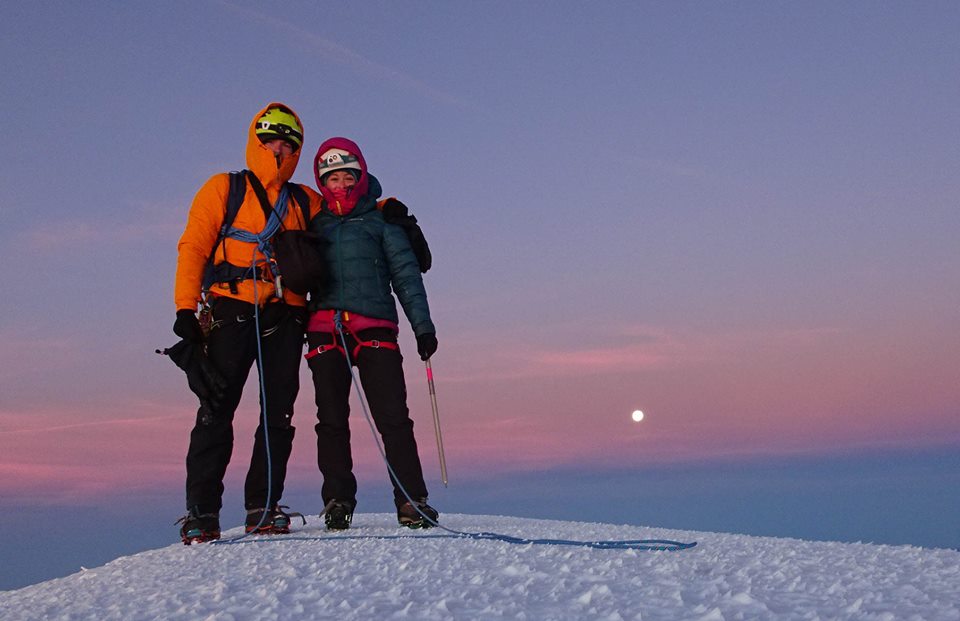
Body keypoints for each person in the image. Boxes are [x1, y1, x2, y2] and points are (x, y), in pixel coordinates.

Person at [173, 103, 319, 544]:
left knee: (279, 412)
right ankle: (202, 512)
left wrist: (389, 208)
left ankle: (264, 506)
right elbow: (194, 246)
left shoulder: (303, 200)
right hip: (230, 310)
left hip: (286, 316)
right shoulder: (223, 188)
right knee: (215, 408)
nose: (279, 150)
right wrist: (184, 309)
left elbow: (346, 208)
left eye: (287, 144)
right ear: (256, 142)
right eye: (271, 141)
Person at [304, 137, 440, 530]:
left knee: (394, 418)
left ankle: (412, 500)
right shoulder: (315, 223)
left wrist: (424, 328)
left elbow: (406, 276)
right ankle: (337, 501)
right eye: (332, 178)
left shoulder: (383, 220)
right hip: (323, 330)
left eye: (348, 175)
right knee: (330, 420)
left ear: (362, 175)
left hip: (376, 327)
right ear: (321, 182)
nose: (341, 184)